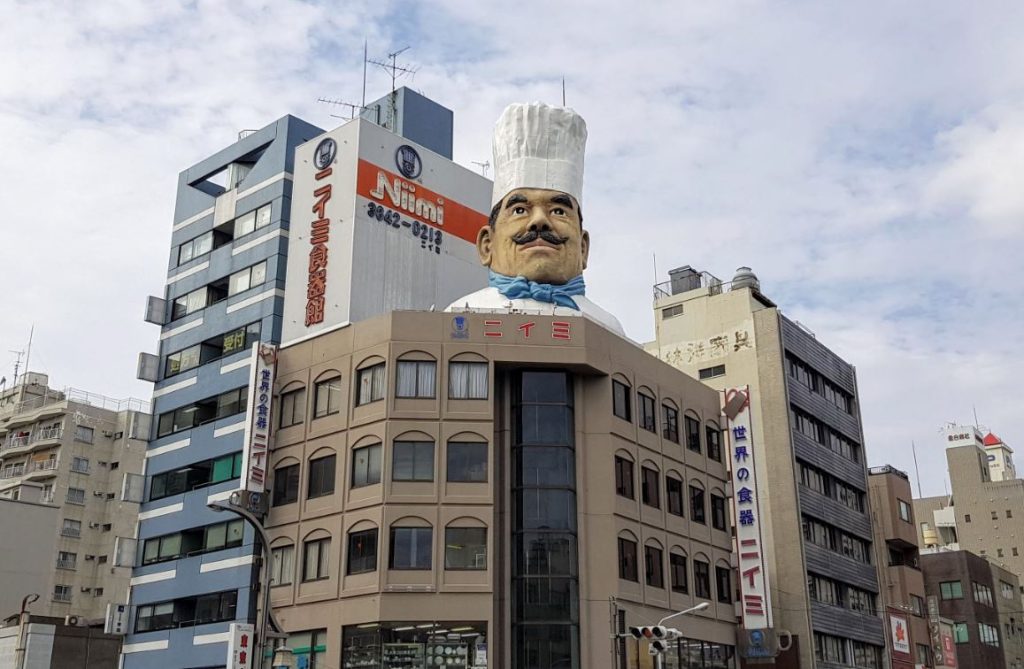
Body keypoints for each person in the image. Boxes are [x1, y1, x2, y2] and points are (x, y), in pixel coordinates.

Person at [445, 102, 625, 337]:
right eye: (520, 210)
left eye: (558, 211)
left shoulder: (607, 328)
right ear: (487, 244)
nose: (539, 221)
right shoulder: (459, 316)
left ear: (583, 248)